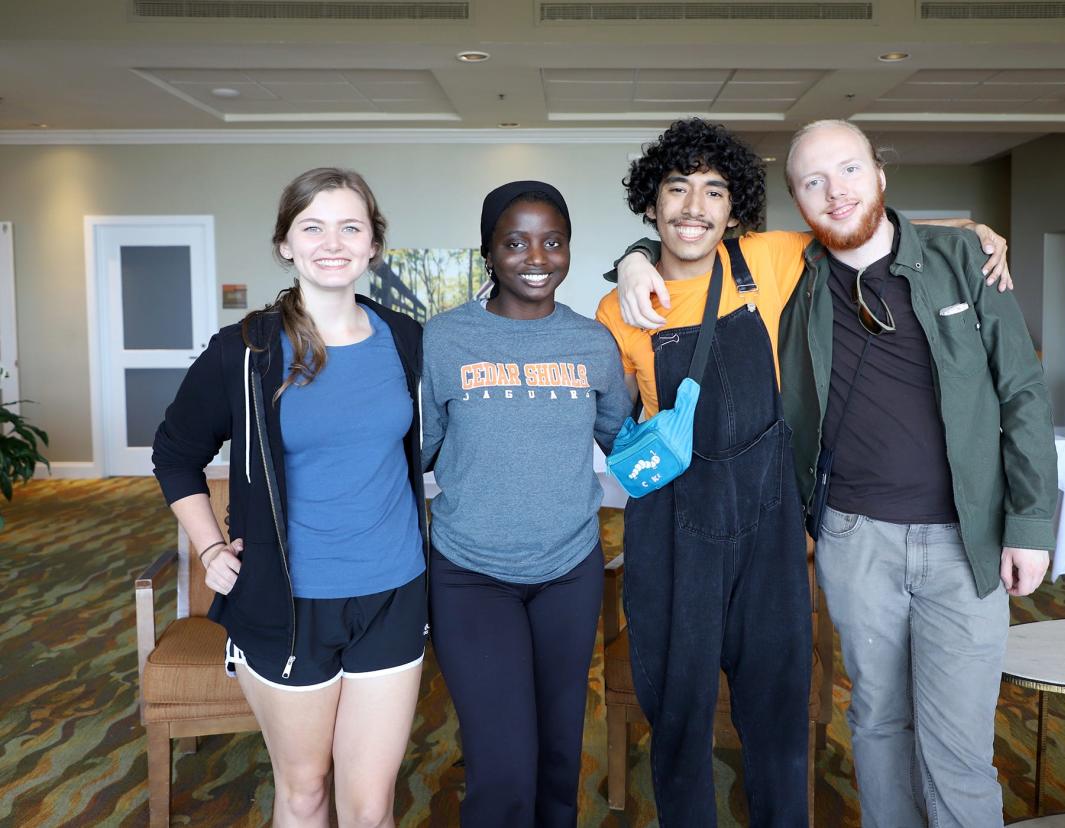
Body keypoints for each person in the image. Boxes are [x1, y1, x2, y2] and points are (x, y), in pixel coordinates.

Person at [597, 117, 1015, 827]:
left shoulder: (772, 258)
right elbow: (617, 429)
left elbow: (863, 222)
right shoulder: (620, 307)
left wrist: (973, 229)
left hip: (768, 527)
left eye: (713, 191)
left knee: (781, 710)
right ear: (650, 204)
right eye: (676, 189)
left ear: (736, 212)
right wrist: (632, 262)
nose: (693, 206)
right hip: (673, 533)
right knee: (676, 710)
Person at [152, 167, 429, 827]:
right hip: (286, 602)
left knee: (371, 807)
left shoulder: (407, 338)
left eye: (350, 226)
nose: (331, 242)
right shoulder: (244, 352)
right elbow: (175, 454)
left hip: (394, 592)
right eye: (313, 226)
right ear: (285, 243)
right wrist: (210, 546)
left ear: (372, 245)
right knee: (305, 794)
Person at [420, 181, 629, 827]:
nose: (536, 256)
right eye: (515, 242)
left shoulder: (595, 343)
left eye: (552, 240)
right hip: (471, 573)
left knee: (561, 751)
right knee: (503, 762)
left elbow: (624, 443)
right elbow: (413, 451)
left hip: (570, 570)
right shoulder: (443, 340)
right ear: (490, 252)